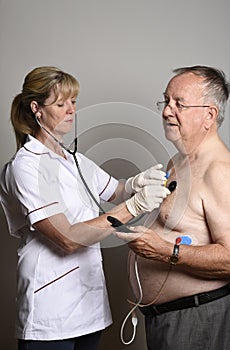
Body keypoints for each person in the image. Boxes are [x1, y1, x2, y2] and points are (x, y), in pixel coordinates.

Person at [0, 66, 170, 350]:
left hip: (88, 306)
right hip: (50, 312)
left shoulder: (71, 158)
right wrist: (135, 205)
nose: (71, 110)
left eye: (73, 102)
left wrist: (136, 183)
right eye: (60, 103)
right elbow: (67, 238)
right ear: (36, 108)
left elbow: (113, 190)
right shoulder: (26, 166)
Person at [116, 65, 230, 350]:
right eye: (166, 101)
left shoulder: (219, 171)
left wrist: (166, 251)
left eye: (179, 104)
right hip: (167, 318)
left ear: (209, 115)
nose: (167, 111)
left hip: (197, 318)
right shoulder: (177, 161)